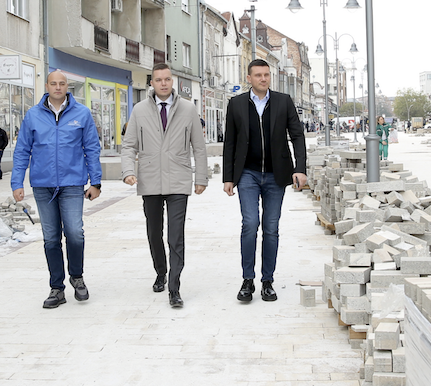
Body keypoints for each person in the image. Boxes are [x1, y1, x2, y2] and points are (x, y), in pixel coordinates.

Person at [11, 70, 102, 309]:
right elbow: (22, 151)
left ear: (67, 86)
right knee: (51, 237)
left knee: (75, 232)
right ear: (47, 86)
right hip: (43, 185)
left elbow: (92, 148)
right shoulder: (33, 115)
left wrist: (96, 182)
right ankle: (57, 288)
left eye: (62, 83)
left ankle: (77, 277)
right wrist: (17, 183)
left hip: (72, 184)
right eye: (54, 83)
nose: (58, 87)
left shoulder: (81, 114)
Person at [121, 63, 208, 308]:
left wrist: (201, 178)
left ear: (173, 81)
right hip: (150, 179)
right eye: (158, 80)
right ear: (152, 83)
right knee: (154, 232)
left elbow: (199, 147)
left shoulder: (188, 109)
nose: (163, 83)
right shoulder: (139, 110)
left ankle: (174, 286)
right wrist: (128, 171)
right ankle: (161, 271)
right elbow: (129, 145)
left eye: (167, 79)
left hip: (179, 178)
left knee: (176, 235)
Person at [223, 59, 307, 303]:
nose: (263, 79)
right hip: (247, 174)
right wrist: (228, 177)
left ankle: (267, 281)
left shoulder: (283, 101)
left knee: (271, 228)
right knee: (250, 224)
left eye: (266, 75)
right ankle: (247, 280)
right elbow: (230, 142)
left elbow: (297, 136)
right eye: (258, 75)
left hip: (276, 175)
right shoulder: (236, 104)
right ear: (248, 78)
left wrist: (300, 168)